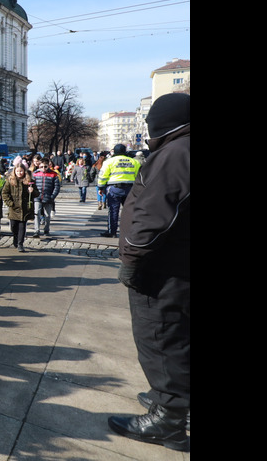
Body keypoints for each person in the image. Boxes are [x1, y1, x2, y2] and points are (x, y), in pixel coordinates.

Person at [107, 93, 190, 451]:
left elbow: (155, 218)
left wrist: (133, 260)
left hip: (162, 270)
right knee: (174, 336)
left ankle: (168, 418)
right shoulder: (179, 150)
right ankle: (171, 398)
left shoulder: (175, 154)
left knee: (159, 337)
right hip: (175, 264)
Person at [97, 144, 141, 237]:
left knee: (113, 210)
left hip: (114, 189)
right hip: (130, 189)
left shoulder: (109, 162)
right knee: (129, 211)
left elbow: (103, 175)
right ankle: (130, 232)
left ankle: (112, 232)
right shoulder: (134, 161)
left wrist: (100, 187)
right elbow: (139, 177)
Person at [1, 163, 38, 253]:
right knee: (13, 226)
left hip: (24, 208)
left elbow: (37, 194)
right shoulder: (10, 181)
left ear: (24, 171)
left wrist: (32, 191)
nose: (19, 173)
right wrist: (10, 203)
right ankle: (15, 237)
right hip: (14, 208)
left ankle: (20, 244)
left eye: (21, 171)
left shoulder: (29, 181)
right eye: (17, 171)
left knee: (22, 226)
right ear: (14, 171)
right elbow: (4, 193)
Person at [31, 160, 60, 237]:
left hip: (48, 198)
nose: (43, 168)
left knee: (47, 215)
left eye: (45, 166)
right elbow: (31, 185)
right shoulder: (35, 174)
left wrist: (52, 197)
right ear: (38, 166)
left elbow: (57, 187)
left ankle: (46, 230)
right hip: (37, 197)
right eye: (41, 166)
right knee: (36, 213)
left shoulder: (54, 174)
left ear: (48, 166)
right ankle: (36, 230)